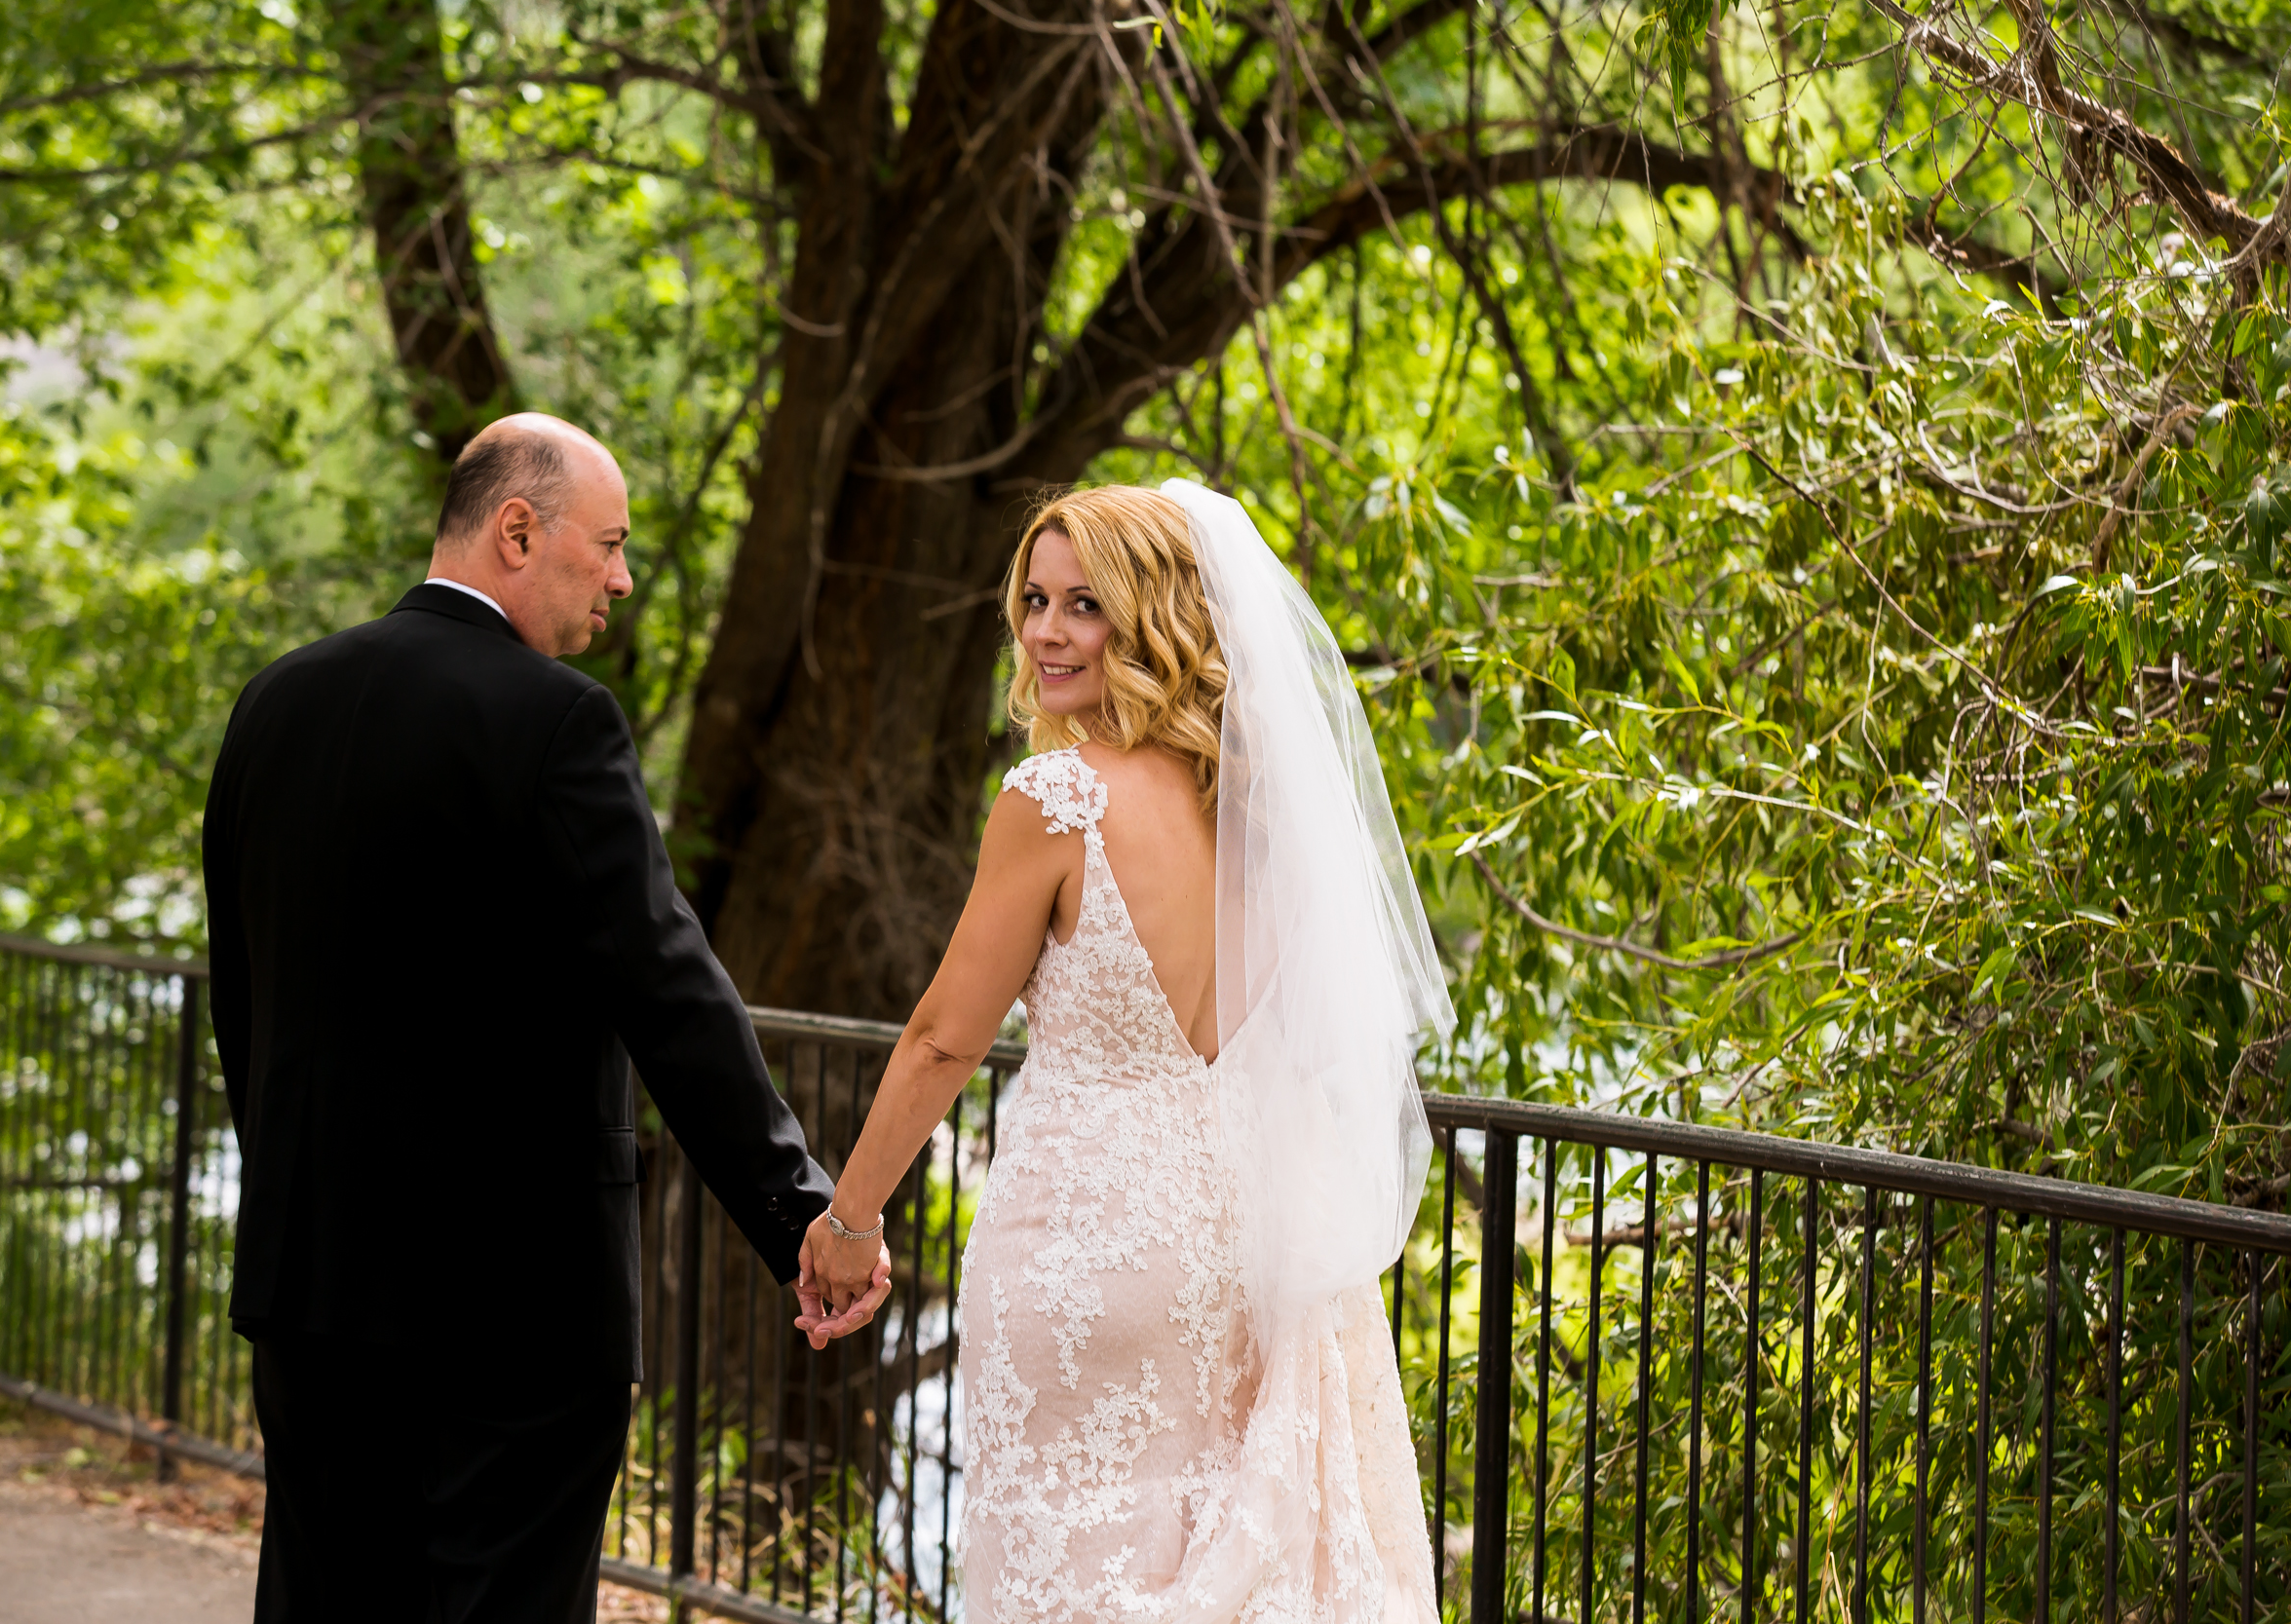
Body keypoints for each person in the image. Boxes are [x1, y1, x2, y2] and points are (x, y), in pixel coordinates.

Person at [202, 413, 880, 1623]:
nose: (619, 578)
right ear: (519, 529)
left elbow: (244, 998)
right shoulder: (558, 719)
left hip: (310, 1285)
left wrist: (302, 1195)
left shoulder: (274, 704)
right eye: (606, 546)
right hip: (515, 1313)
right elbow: (669, 988)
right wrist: (801, 1213)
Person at [795, 482, 1451, 1623]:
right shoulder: (1265, 814)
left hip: (1084, 1248)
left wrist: (849, 1220)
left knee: (1064, 1568)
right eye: (1034, 599)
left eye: (1084, 604)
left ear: (1151, 618)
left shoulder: (1054, 799)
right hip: (1243, 1247)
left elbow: (946, 1034)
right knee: (1207, 1564)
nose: (1046, 630)